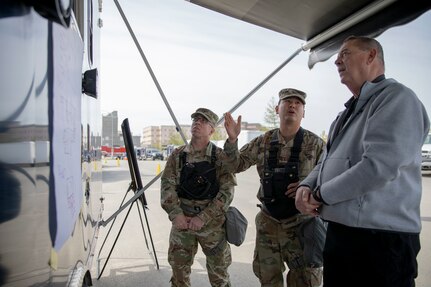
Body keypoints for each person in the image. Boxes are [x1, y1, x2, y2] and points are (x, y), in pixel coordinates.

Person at [295, 36, 430, 287]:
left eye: (345, 53)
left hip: (380, 241)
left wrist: (321, 194)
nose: (336, 60)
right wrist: (307, 185)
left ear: (371, 56)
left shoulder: (397, 98)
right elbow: (326, 160)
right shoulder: (345, 113)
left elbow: (378, 166)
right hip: (342, 233)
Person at [224, 88, 325, 287]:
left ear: (303, 112)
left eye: (298, 103)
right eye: (287, 102)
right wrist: (233, 141)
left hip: (301, 226)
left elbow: (332, 177)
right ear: (277, 109)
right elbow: (235, 165)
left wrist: (311, 188)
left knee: (305, 281)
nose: (293, 106)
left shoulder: (315, 144)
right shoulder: (264, 141)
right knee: (268, 281)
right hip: (269, 224)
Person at [161, 108, 236, 287]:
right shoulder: (178, 156)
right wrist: (176, 214)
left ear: (212, 130)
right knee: (179, 272)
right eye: (195, 120)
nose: (197, 123)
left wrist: (203, 217)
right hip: (183, 222)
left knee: (219, 275)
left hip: (212, 225)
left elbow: (227, 192)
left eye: (204, 121)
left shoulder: (220, 157)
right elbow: (167, 186)